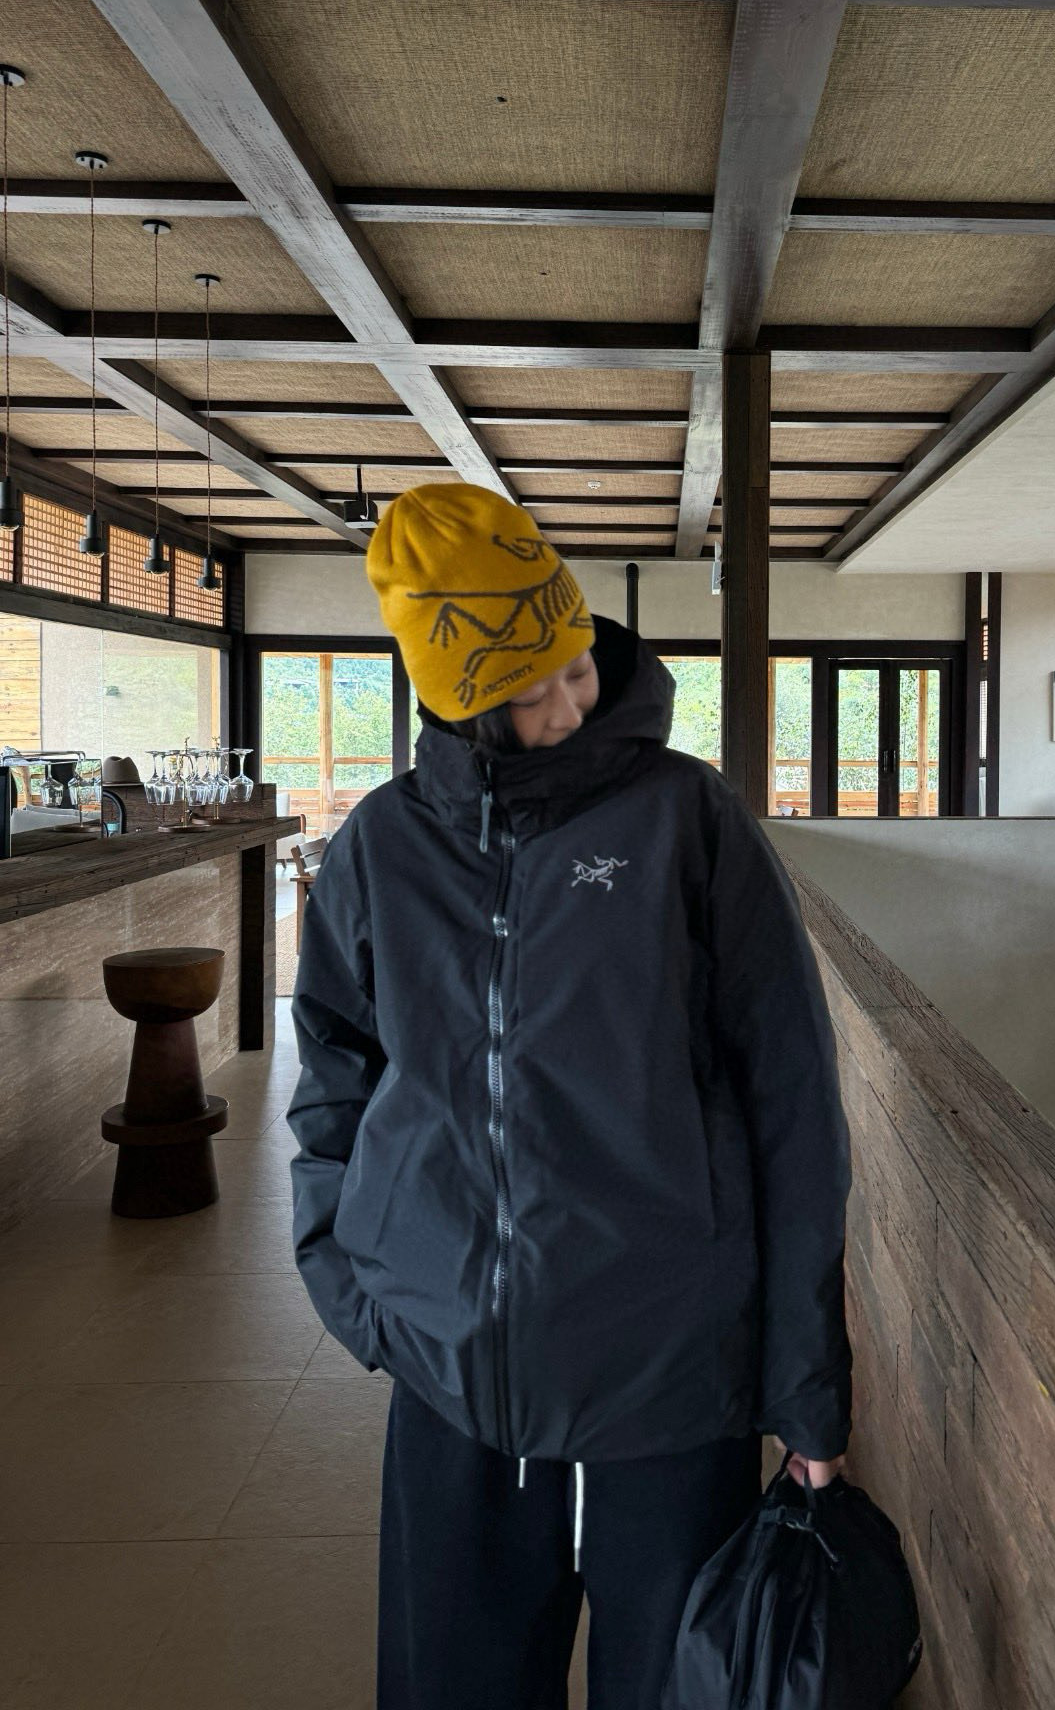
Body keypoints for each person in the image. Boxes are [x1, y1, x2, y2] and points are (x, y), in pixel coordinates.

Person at [285, 483, 852, 1709]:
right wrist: (348, 1277)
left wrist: (806, 1387)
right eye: (526, 690)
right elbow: (333, 1071)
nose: (568, 705)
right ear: (456, 699)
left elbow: (793, 1102)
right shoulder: (382, 848)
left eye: (576, 666)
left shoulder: (687, 821)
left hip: (668, 1388)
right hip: (450, 1384)